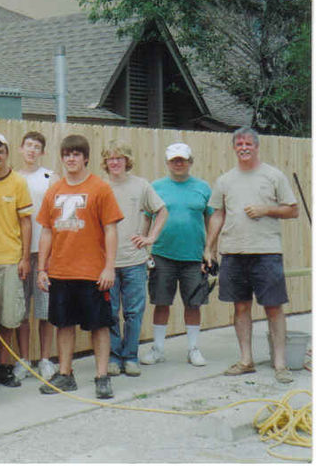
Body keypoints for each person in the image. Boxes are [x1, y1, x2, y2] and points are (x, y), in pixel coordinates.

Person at [204, 127, 299, 384]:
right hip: (233, 253)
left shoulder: (273, 176)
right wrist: (209, 247)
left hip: (267, 252)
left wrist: (266, 209)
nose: (244, 147)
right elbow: (217, 214)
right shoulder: (225, 180)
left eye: (248, 143)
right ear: (234, 148)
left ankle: (280, 364)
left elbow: (293, 211)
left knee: (273, 307)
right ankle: (246, 360)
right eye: (239, 144)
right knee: (241, 306)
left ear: (257, 147)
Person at [36, 134, 123, 399]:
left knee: (99, 325)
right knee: (63, 324)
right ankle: (65, 374)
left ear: (85, 158)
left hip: (93, 272)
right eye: (66, 154)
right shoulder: (54, 190)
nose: (71, 159)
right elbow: (47, 232)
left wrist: (109, 267)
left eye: (76, 154)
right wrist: (42, 268)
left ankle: (102, 376)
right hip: (61, 271)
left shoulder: (101, 188)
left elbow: (110, 230)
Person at [140, 143, 212, 368]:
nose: (178, 163)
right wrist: (143, 248)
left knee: (193, 304)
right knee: (161, 303)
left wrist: (210, 250)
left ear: (190, 162)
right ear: (167, 163)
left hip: (194, 257)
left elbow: (211, 220)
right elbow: (146, 218)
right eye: (174, 160)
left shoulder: (203, 188)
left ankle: (193, 349)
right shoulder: (156, 187)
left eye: (183, 159)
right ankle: (158, 349)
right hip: (162, 254)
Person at [101, 139, 168, 378]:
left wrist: (150, 238)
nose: (115, 162)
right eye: (110, 158)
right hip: (106, 263)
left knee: (133, 312)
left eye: (119, 158)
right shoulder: (100, 186)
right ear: (105, 162)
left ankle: (130, 357)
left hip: (135, 262)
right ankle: (112, 356)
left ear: (127, 161)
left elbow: (162, 211)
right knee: (109, 313)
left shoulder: (141, 185)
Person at [0, 132, 32, 389]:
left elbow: (26, 221)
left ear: (7, 154)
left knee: (9, 318)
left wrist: (25, 258)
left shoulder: (19, 182)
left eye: (0, 151)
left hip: (12, 260)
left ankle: (5, 366)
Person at [13, 131, 60, 382]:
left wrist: (52, 254)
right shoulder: (13, 177)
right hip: (19, 253)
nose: (31, 150)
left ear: (42, 152)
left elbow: (58, 217)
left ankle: (44, 359)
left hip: (45, 253)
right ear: (21, 149)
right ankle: (23, 360)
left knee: (44, 311)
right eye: (28, 145)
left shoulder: (50, 177)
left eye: (37, 147)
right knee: (21, 312)